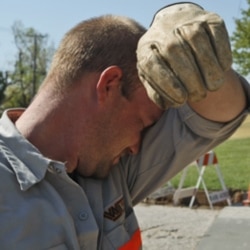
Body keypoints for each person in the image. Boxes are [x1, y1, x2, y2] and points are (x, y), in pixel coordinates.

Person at [0, 2, 249, 250]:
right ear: (109, 85)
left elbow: (220, 115)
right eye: (142, 124)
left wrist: (198, 56)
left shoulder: (109, 167)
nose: (137, 146)